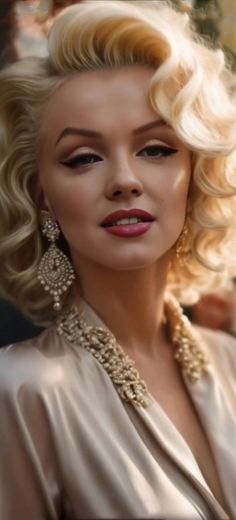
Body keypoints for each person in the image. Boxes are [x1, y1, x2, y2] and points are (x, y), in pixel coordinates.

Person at [0, 1, 236, 518]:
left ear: (196, 170)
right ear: (42, 196)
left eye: (156, 149)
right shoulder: (22, 392)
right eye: (83, 157)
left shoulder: (229, 361)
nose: (125, 179)